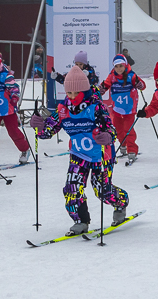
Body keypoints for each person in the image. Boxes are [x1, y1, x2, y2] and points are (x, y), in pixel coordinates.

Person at [29, 66, 128, 235]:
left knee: (102, 190)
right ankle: (81, 220)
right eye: (69, 93)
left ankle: (120, 203)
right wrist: (39, 125)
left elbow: (111, 130)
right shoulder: (63, 109)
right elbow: (47, 132)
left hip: (101, 154)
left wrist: (107, 136)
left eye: (77, 93)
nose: (73, 97)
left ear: (85, 90)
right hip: (78, 154)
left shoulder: (96, 107)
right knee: (72, 188)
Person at [99, 54, 146, 165]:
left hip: (129, 109)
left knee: (128, 130)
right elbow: (105, 85)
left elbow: (142, 85)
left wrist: (140, 85)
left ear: (125, 65)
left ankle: (132, 150)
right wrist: (100, 90)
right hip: (116, 109)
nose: (119, 69)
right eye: (116, 66)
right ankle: (123, 146)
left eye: (121, 66)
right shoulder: (112, 76)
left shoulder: (131, 75)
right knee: (118, 130)